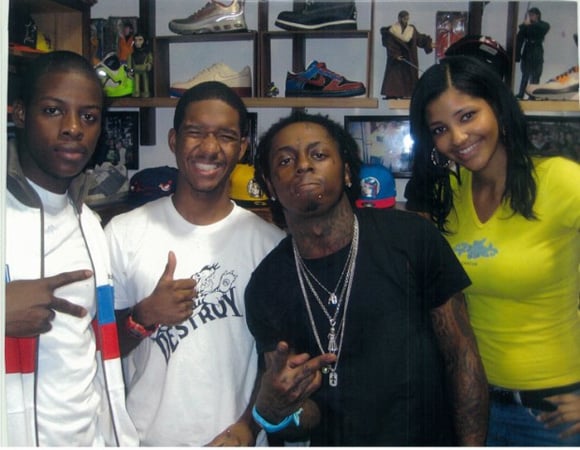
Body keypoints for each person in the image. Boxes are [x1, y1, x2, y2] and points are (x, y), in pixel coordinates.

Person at [244, 111, 488, 446]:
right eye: (285, 160)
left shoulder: (412, 239)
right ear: (271, 186)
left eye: (318, 154)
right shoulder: (266, 285)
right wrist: (276, 411)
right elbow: (308, 417)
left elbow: (461, 356)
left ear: (347, 172)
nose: (303, 166)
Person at [406, 55, 580, 446]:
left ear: (498, 108)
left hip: (552, 416)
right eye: (440, 129)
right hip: (474, 407)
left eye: (468, 116)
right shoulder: (449, 197)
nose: (457, 138)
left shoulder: (561, 181)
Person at [104, 81, 286, 446]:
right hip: (145, 439)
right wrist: (143, 316)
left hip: (234, 440)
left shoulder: (270, 245)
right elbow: (97, 351)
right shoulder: (122, 233)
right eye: (195, 132)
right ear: (174, 140)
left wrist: (249, 426)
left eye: (225, 136)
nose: (210, 148)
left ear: (242, 148)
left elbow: (277, 361)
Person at [5, 50, 138, 446]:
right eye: (53, 111)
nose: (73, 128)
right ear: (20, 113)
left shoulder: (89, 223)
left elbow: (89, 355)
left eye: (89, 116)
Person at [380, 10, 433, 99]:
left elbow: (419, 39)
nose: (406, 21)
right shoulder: (392, 30)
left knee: (409, 77)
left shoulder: (411, 29)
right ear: (399, 18)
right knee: (395, 78)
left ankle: (409, 94)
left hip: (409, 57)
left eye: (407, 19)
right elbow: (389, 44)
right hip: (396, 60)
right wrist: (395, 55)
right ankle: (394, 94)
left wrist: (428, 43)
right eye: (404, 19)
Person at [515, 7, 550, 99]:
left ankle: (532, 95)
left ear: (537, 15)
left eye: (532, 15)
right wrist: (517, 55)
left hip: (537, 50)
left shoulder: (542, 25)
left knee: (536, 75)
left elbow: (544, 27)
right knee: (525, 74)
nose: (531, 16)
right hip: (527, 50)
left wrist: (529, 25)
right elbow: (519, 40)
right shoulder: (525, 26)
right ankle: (521, 93)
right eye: (530, 15)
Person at [127, 33, 153, 98]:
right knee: (136, 83)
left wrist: (149, 64)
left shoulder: (147, 52)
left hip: (144, 69)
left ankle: (146, 92)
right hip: (136, 70)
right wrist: (130, 71)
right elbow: (129, 64)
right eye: (135, 40)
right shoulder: (132, 54)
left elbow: (150, 60)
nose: (137, 42)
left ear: (144, 41)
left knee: (145, 82)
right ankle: (136, 93)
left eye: (140, 40)